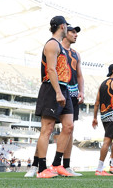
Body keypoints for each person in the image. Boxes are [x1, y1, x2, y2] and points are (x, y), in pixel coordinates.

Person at [29, 16, 75, 178]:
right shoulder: (51, 44)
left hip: (64, 87)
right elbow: (51, 70)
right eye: (67, 27)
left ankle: (57, 164)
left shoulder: (60, 46)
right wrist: (57, 92)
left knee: (69, 126)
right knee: (47, 128)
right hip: (52, 88)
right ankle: (41, 169)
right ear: (62, 26)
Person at [61, 25, 84, 176]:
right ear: (64, 32)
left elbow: (80, 75)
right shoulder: (56, 48)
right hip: (59, 91)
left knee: (70, 128)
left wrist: (81, 91)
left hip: (73, 94)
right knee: (47, 127)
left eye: (77, 32)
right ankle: (36, 165)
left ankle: (66, 166)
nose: (76, 35)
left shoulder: (76, 54)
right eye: (73, 32)